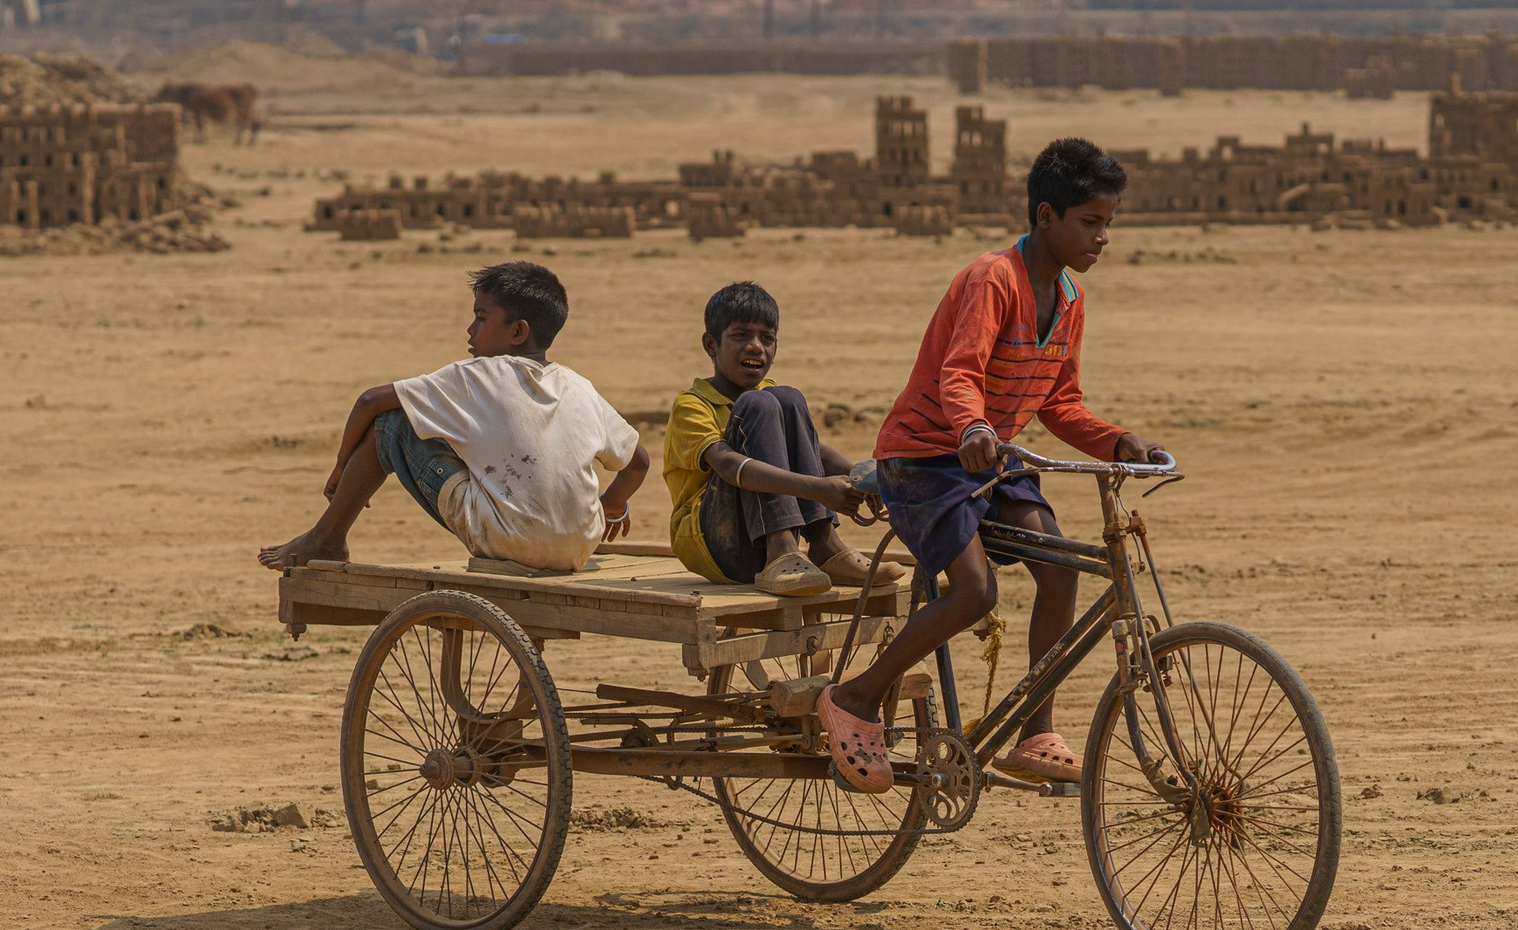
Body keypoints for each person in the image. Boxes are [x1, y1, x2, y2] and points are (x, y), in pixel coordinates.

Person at [821, 139, 1165, 794]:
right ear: (1045, 217)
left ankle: (1036, 731)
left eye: (1108, 225)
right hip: (924, 456)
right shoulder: (992, 279)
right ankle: (856, 697)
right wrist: (974, 425)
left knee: (1060, 565)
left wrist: (1119, 442)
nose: (1102, 239)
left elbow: (1061, 402)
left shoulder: (1068, 298)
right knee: (976, 591)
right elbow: (960, 373)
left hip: (991, 458)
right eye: (1090, 223)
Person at [259, 261, 648, 574]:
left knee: (394, 422)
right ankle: (324, 537)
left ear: (517, 332)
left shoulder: (476, 375)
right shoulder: (579, 385)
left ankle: (326, 538)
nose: (470, 329)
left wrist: (341, 469)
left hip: (508, 540)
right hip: (580, 546)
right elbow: (638, 462)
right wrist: (610, 506)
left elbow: (369, 402)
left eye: (481, 318)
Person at [663, 280, 903, 595]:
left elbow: (815, 452)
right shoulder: (691, 405)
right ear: (711, 344)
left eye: (767, 338)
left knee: (787, 397)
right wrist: (818, 489)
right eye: (740, 336)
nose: (755, 347)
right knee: (759, 402)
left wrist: (865, 478)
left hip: (757, 540)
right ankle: (781, 549)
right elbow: (725, 464)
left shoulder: (771, 395)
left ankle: (824, 544)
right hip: (720, 547)